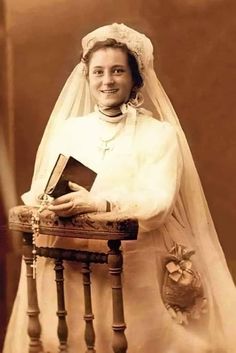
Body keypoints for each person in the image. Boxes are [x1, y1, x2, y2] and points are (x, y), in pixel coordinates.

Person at [3, 23, 236, 353]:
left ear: (135, 78)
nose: (107, 81)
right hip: (69, 264)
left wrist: (98, 204)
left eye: (117, 71)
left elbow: (158, 203)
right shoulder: (71, 130)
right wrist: (47, 200)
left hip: (135, 266)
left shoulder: (158, 135)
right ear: (87, 77)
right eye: (98, 71)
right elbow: (42, 189)